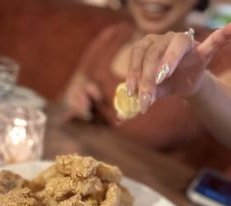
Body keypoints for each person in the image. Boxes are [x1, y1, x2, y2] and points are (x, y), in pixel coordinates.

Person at [63, 0, 231, 150]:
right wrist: (76, 99)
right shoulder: (113, 35)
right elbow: (67, 95)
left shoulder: (213, 50)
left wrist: (202, 85)